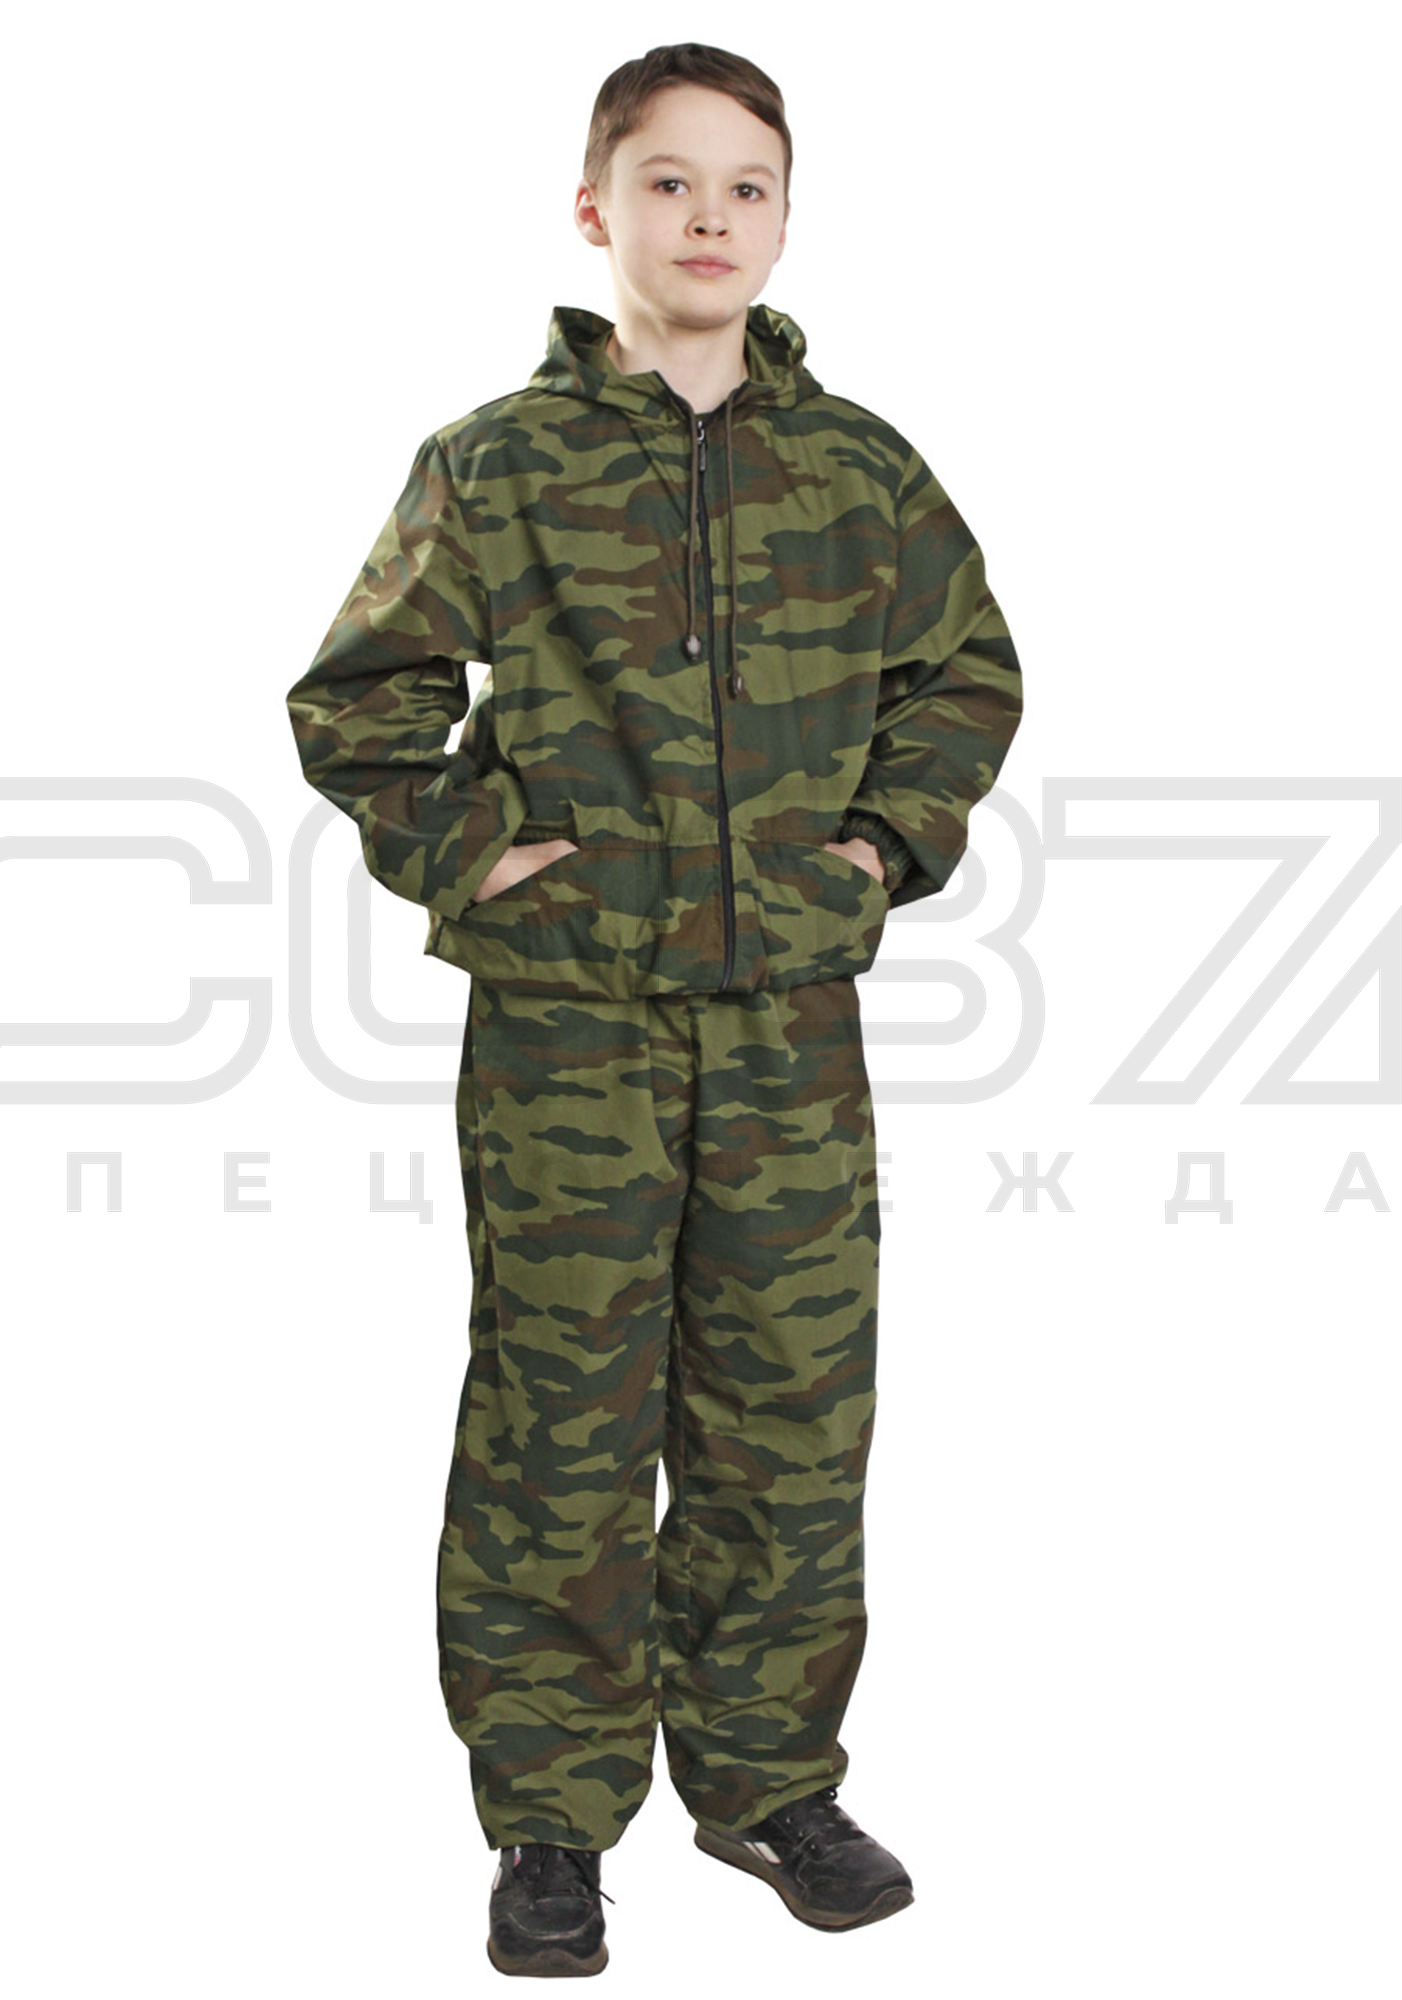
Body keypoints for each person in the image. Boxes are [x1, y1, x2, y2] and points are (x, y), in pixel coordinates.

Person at [285, 40, 1023, 1980]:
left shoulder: (859, 469)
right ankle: (550, 1813)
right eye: (670, 181)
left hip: (789, 1024)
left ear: (786, 220)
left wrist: (875, 850)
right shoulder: (498, 463)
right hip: (570, 1031)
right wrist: (479, 856)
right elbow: (360, 699)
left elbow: (965, 676)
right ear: (594, 206)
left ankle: (769, 1780)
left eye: (747, 187)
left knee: (791, 1410)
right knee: (563, 1419)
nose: (710, 217)